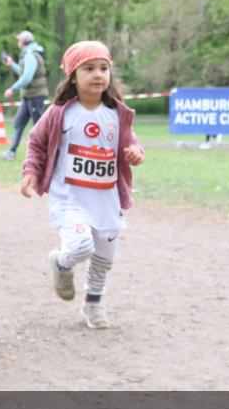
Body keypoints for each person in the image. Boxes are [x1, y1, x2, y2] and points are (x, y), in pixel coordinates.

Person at [20, 41, 145, 329]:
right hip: (69, 199)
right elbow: (37, 143)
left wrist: (135, 153)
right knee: (81, 246)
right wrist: (31, 171)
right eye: (88, 68)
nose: (98, 74)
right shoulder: (60, 112)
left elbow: (130, 142)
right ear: (73, 76)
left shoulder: (117, 113)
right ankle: (62, 264)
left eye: (104, 68)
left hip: (106, 201)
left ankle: (94, 305)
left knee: (103, 258)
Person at [0, 29, 49, 160]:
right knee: (19, 122)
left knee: (39, 125)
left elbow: (27, 77)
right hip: (29, 95)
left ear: (24, 42)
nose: (18, 42)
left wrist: (12, 88)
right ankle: (12, 151)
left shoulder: (30, 55)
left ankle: (45, 154)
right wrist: (12, 65)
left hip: (35, 95)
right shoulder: (29, 53)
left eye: (19, 40)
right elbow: (24, 71)